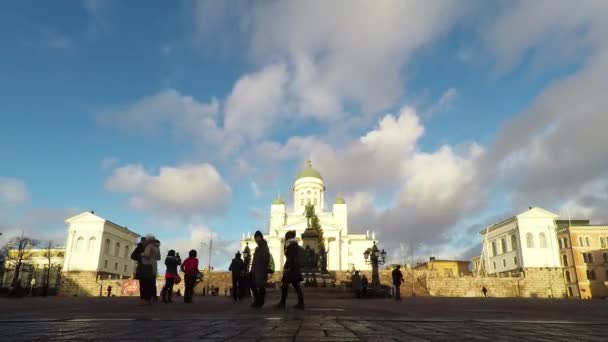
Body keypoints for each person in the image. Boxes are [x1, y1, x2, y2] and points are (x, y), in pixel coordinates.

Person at [276, 230, 304, 309]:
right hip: (293, 268)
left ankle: (283, 303)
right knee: (294, 285)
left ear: (288, 238)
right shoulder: (293, 245)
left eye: (286, 237)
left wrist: (288, 267)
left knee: (286, 285)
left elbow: (291, 258)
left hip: (291, 268)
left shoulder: (291, 246)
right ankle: (300, 303)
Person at [250, 230, 270, 308]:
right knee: (255, 285)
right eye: (255, 239)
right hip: (256, 269)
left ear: (260, 237)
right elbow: (255, 260)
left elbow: (265, 259)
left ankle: (259, 302)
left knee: (260, 286)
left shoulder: (264, 247)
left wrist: (263, 269)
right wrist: (252, 269)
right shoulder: (258, 248)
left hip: (261, 269)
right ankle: (258, 301)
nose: (255, 240)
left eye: (256, 238)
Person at [141, 235, 161, 304]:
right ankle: (153, 297)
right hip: (154, 265)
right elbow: (159, 258)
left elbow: (147, 255)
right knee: (152, 283)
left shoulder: (149, 246)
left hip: (147, 265)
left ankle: (147, 299)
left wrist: (142, 254)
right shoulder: (157, 247)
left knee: (147, 283)